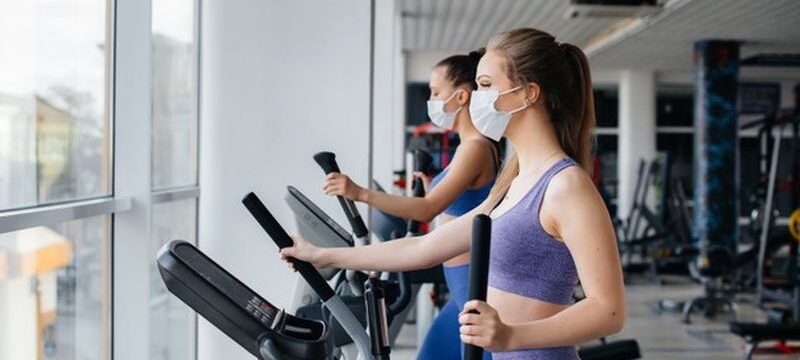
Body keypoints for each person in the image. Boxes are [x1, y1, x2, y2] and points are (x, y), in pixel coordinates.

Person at [282, 28, 625, 359]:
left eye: (486, 85)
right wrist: (322, 256)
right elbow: (425, 246)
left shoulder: (566, 186)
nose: (476, 98)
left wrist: (511, 336)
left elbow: (609, 311)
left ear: (528, 93)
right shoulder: (515, 181)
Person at [323, 50, 498, 360]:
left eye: (435, 92)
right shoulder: (467, 149)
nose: (431, 100)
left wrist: (359, 192)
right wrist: (434, 185)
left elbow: (427, 209)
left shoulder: (476, 149)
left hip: (472, 288)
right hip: (460, 289)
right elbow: (452, 210)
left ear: (460, 97)